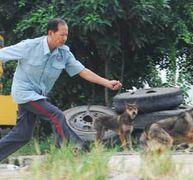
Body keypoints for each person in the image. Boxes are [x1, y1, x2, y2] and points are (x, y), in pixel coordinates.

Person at [0, 18, 122, 162]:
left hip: (38, 96)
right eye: (61, 35)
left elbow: (82, 71)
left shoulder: (64, 53)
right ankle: (68, 152)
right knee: (55, 114)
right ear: (50, 33)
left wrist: (107, 82)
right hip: (24, 93)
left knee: (22, 135)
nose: (64, 38)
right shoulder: (30, 46)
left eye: (66, 35)